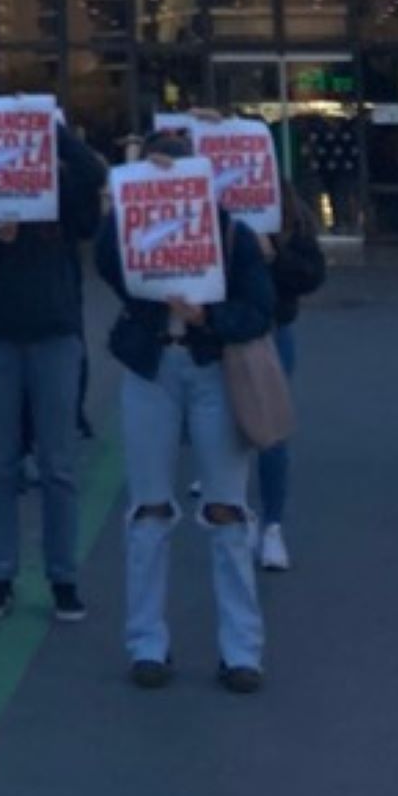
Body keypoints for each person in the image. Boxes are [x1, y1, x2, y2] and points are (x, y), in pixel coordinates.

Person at [97, 128, 276, 693]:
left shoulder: (231, 233)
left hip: (212, 369)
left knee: (226, 509)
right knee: (148, 509)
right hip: (154, 368)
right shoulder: (124, 231)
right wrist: (120, 204)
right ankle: (147, 643)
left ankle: (242, 650)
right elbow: (105, 260)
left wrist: (207, 320)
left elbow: (260, 310)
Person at [0, 114, 107, 624]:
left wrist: (53, 130)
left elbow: (94, 180)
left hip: (55, 336)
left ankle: (63, 576)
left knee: (58, 465)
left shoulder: (64, 188)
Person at [253, 175, 327, 571]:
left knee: (271, 434)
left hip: (270, 332)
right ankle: (243, 518)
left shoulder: (289, 216)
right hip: (220, 333)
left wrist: (274, 255)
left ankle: (272, 525)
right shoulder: (205, 205)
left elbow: (312, 274)